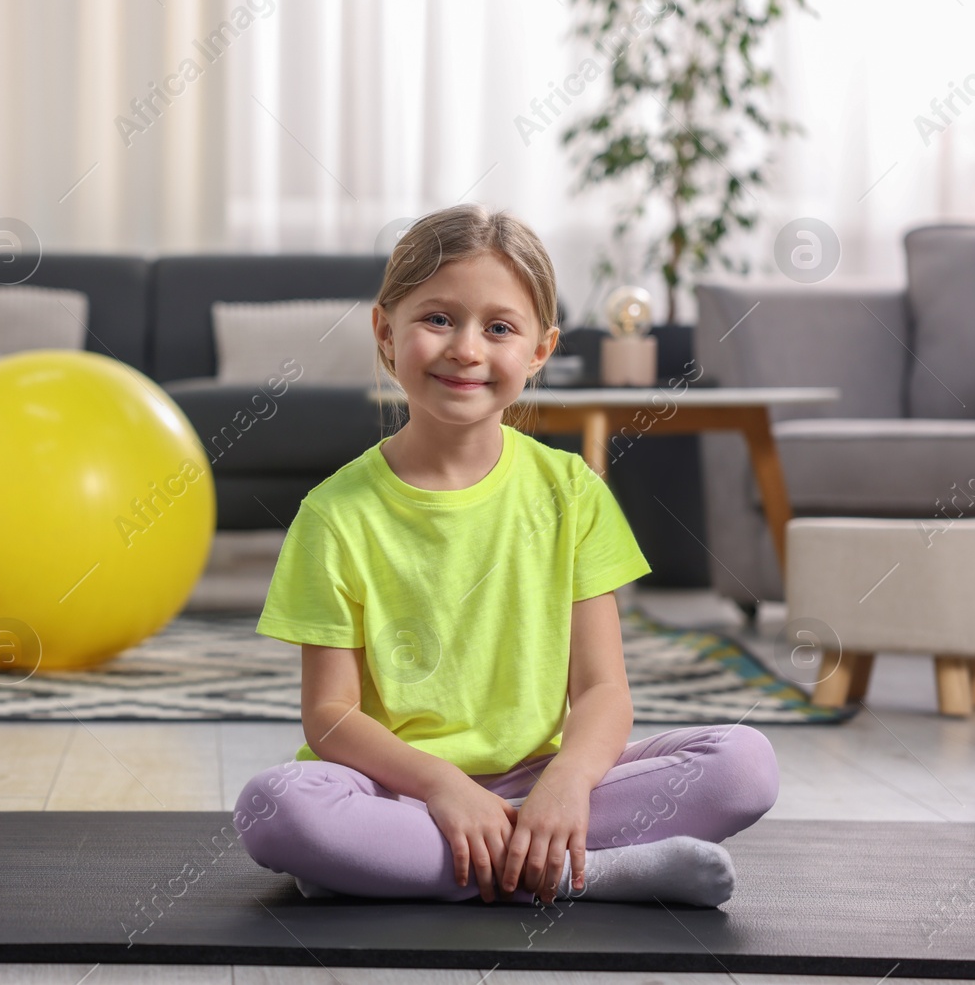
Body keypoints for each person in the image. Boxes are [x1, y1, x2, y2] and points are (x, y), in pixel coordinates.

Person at [235, 204, 778, 907]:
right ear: (384, 331)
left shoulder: (572, 492)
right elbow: (331, 716)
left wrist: (568, 783)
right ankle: (585, 874)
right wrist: (441, 785)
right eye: (437, 319)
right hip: (399, 790)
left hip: (538, 778)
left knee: (744, 764)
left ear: (539, 350)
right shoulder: (334, 515)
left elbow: (603, 690)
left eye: (499, 328)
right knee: (275, 807)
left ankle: (420, 866)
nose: (466, 349)